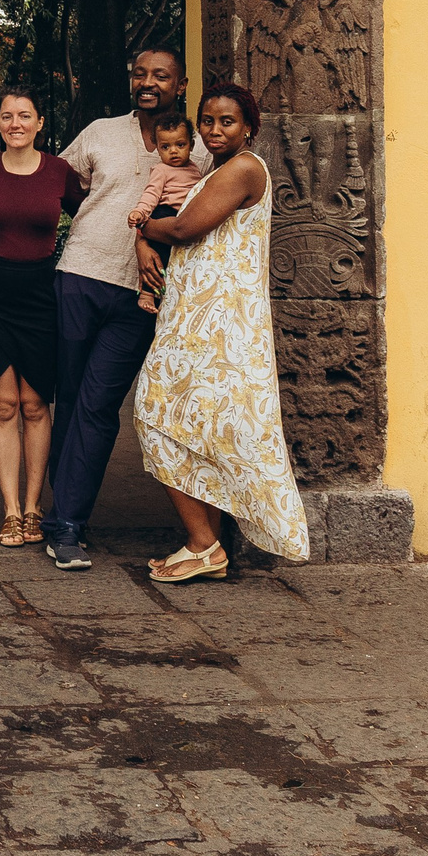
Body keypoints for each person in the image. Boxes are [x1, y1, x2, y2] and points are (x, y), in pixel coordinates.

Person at [35, 46, 210, 572]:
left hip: (142, 294)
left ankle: (66, 522)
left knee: (98, 404)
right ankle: (65, 516)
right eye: (139, 74)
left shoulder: (202, 149)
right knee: (69, 398)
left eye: (161, 75)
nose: (148, 82)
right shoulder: (101, 132)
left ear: (181, 85)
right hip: (81, 275)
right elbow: (58, 182)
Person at [134, 84, 308, 580]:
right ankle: (204, 546)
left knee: (152, 412)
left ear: (249, 126)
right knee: (193, 426)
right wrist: (149, 237)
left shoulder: (244, 168)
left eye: (227, 121)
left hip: (219, 326)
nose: (214, 130)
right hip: (197, 320)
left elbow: (185, 228)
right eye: (207, 121)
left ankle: (203, 544)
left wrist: (143, 229)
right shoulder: (214, 170)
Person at [0, 88, 87, 548]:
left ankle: (35, 507)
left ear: (39, 122)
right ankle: (11, 511)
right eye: (6, 116)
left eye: (24, 115)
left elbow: (92, 215)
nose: (15, 124)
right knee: (3, 404)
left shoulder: (59, 171)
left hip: (41, 295)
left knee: (36, 405)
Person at [127, 113, 205, 314]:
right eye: (165, 147)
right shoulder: (161, 170)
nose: (174, 151)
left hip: (184, 218)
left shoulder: (195, 169)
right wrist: (140, 212)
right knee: (158, 255)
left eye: (180, 145)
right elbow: (151, 194)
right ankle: (147, 293)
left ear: (191, 145)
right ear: (157, 148)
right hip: (165, 213)